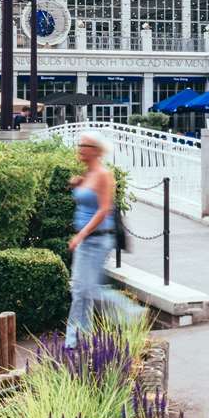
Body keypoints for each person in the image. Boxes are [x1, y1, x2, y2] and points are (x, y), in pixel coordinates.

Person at [66, 131, 138, 347]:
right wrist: (77, 186)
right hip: (87, 240)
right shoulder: (87, 175)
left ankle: (130, 313)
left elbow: (104, 210)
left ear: (96, 150)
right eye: (80, 145)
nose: (80, 149)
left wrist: (81, 234)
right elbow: (88, 201)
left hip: (97, 240)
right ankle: (80, 338)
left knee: (84, 290)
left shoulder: (104, 175)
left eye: (84, 146)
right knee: (81, 291)